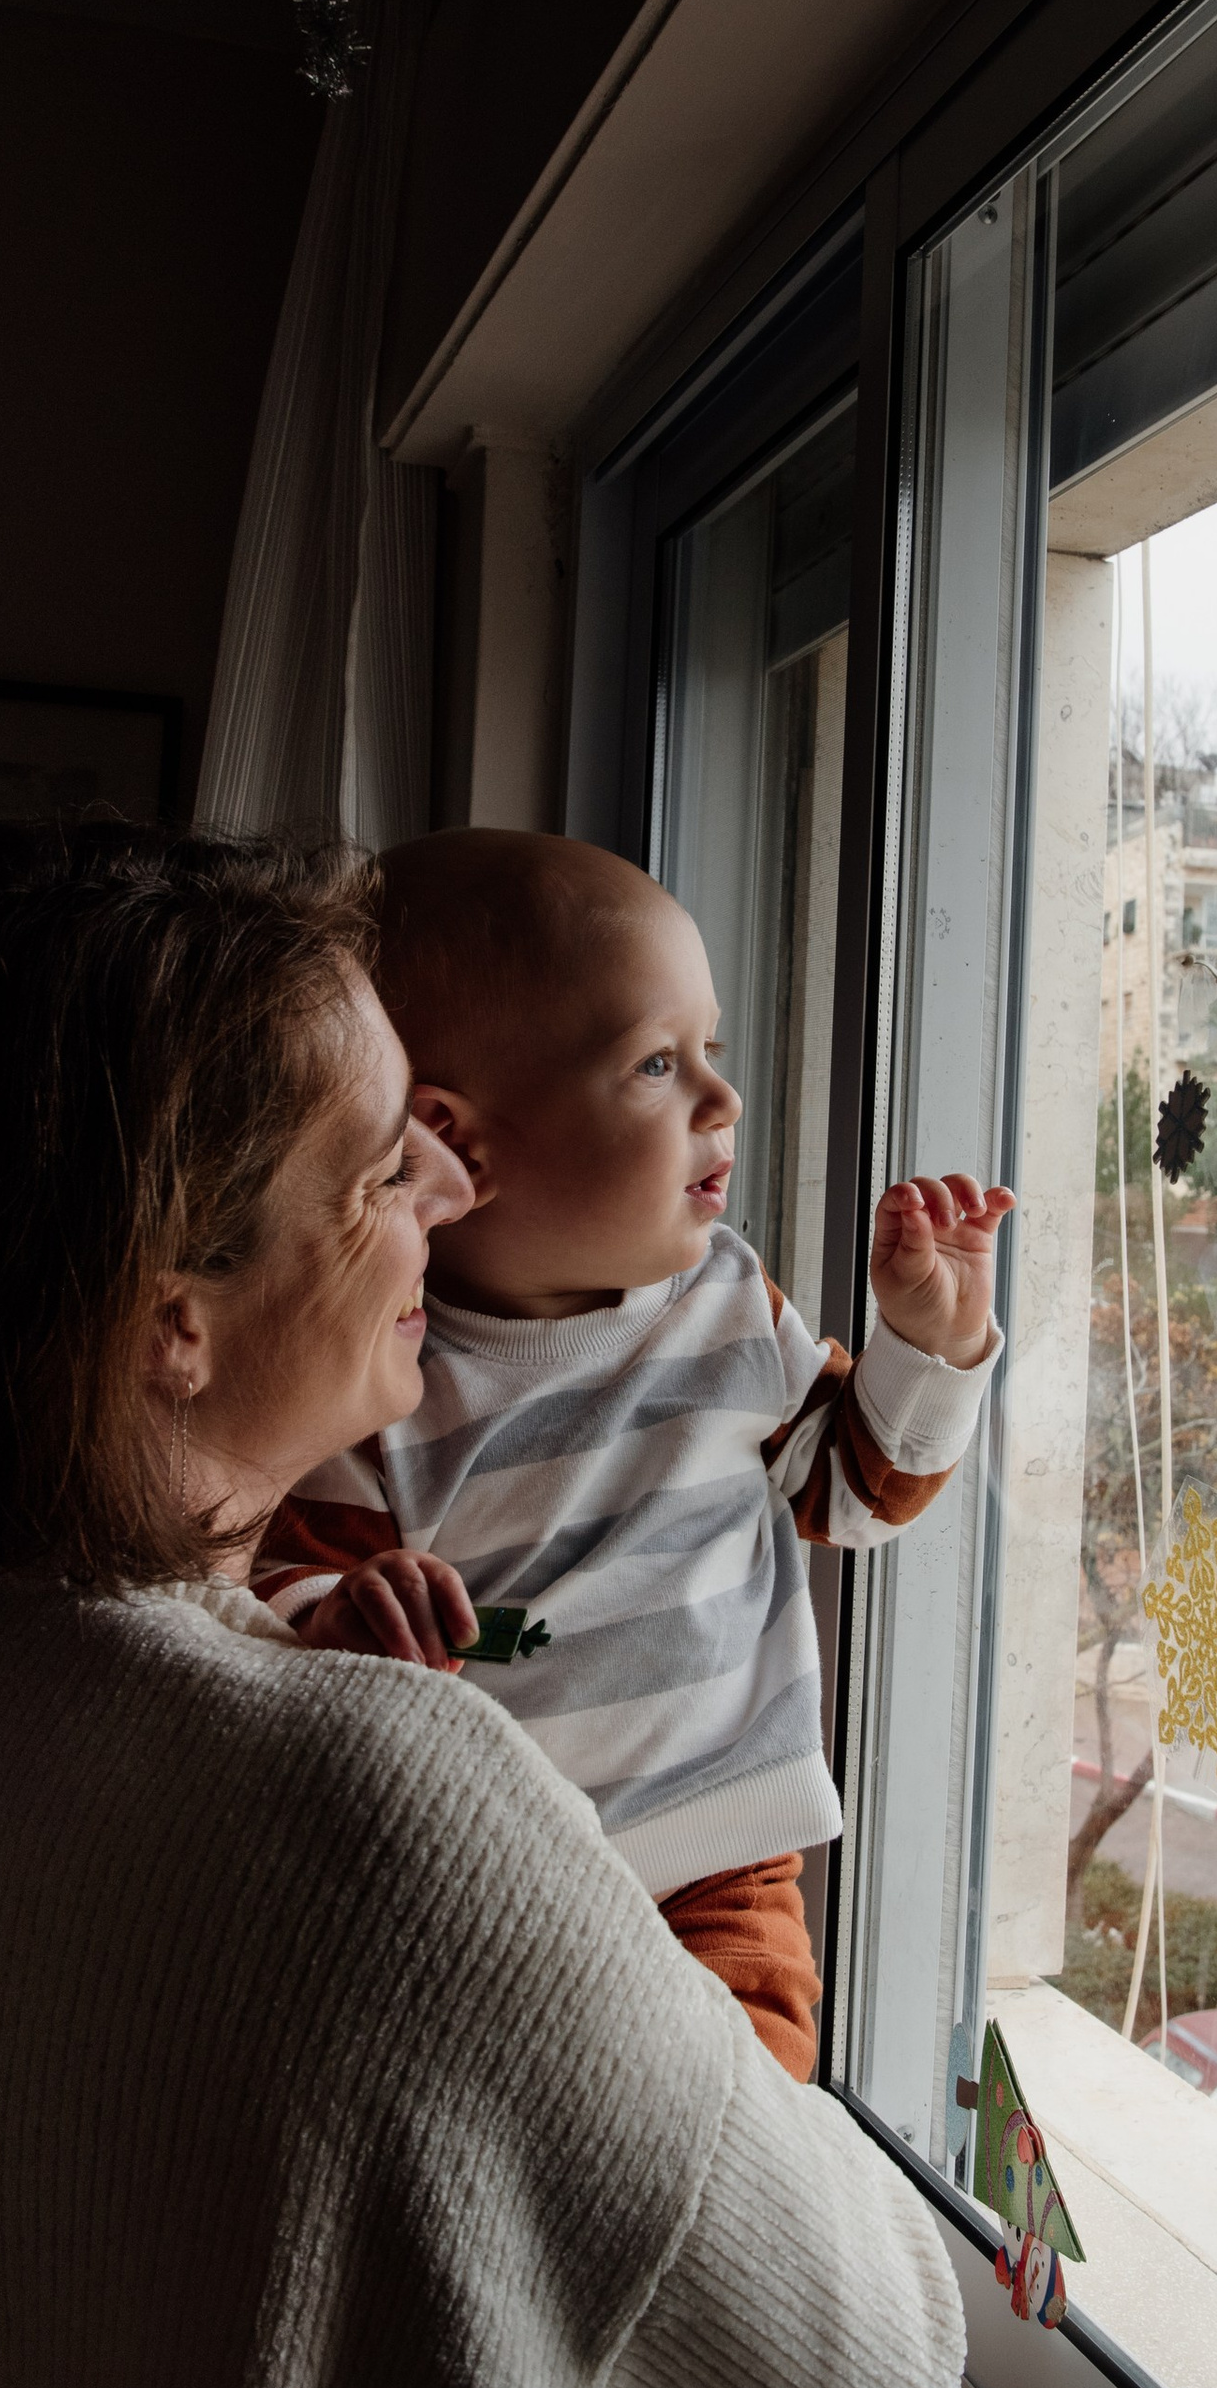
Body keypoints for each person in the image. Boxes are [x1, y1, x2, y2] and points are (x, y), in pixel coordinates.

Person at [0, 819, 965, 2388]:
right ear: (177, 1318)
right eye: (379, 1170)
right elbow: (867, 2377)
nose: (450, 1189)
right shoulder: (376, 1795)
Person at [252, 830, 1011, 2083]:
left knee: (748, 2122)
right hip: (488, 1882)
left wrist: (930, 1344)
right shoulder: (382, 1366)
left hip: (721, 1859)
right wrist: (341, 1612)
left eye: (711, 1049)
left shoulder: (726, 1300)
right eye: (658, 1064)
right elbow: (279, 1594)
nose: (723, 1100)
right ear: (458, 1142)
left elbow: (852, 1493)